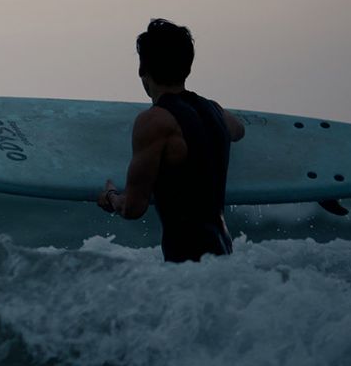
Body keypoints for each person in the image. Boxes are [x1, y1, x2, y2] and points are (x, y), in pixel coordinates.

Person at [96, 17, 246, 263]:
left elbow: (133, 208)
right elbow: (239, 130)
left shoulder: (154, 121)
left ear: (142, 70)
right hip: (223, 255)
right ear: (187, 68)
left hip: (186, 262)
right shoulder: (215, 112)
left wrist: (110, 196)